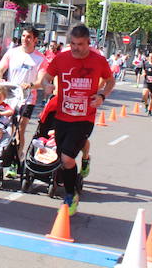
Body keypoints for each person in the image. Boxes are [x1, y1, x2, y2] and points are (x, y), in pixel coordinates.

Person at [33, 24, 115, 216]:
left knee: (67, 158)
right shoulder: (61, 59)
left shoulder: (98, 61)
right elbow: (46, 77)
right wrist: (46, 86)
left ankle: (70, 196)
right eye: (73, 44)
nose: (76, 48)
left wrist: (102, 96)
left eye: (80, 44)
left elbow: (110, 80)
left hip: (84, 118)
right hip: (62, 116)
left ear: (88, 42)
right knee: (64, 161)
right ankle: (72, 190)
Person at [0, 27, 47, 174]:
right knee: (5, 127)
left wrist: (30, 85)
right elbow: (0, 69)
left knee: (19, 129)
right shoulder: (12, 53)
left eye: (29, 37)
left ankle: (16, 159)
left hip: (27, 98)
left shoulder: (41, 59)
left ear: (35, 40)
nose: (25, 39)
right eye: (23, 36)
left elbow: (41, 81)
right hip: (10, 97)